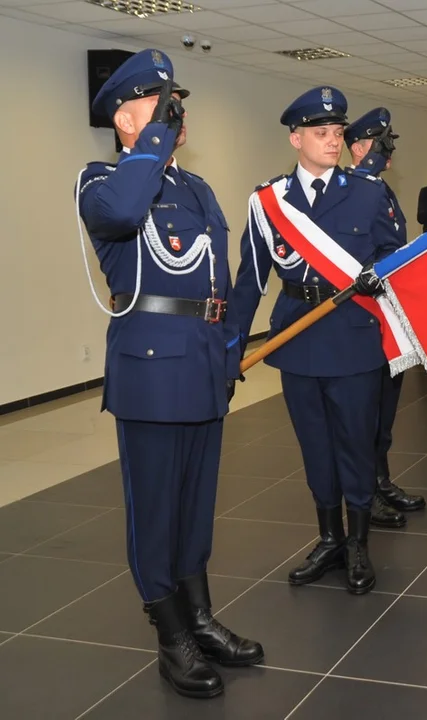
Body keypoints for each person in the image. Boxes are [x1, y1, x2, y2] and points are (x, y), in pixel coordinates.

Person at [75, 48, 263, 699]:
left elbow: (218, 280)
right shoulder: (101, 182)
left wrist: (231, 345)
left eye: (175, 105)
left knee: (194, 509)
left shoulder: (194, 187)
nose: (175, 115)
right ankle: (171, 636)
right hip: (151, 374)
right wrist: (148, 143)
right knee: (156, 511)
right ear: (126, 117)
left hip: (205, 366)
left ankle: (200, 617)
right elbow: (125, 216)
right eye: (159, 104)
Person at [230, 87, 402, 595]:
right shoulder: (268, 202)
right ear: (296, 138)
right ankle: (329, 539)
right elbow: (249, 280)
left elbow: (397, 258)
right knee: (316, 448)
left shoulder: (368, 192)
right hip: (298, 340)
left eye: (338, 133)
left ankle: (358, 546)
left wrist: (379, 274)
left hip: (353, 338)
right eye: (322, 133)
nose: (334, 141)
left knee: (355, 445)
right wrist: (229, 350)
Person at [343, 107, 426, 516]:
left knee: (385, 410)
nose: (386, 151)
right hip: (366, 316)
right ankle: (365, 492)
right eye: (378, 143)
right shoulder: (352, 189)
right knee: (365, 414)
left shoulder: (381, 189)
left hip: (390, 315)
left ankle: (380, 480)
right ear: (358, 149)